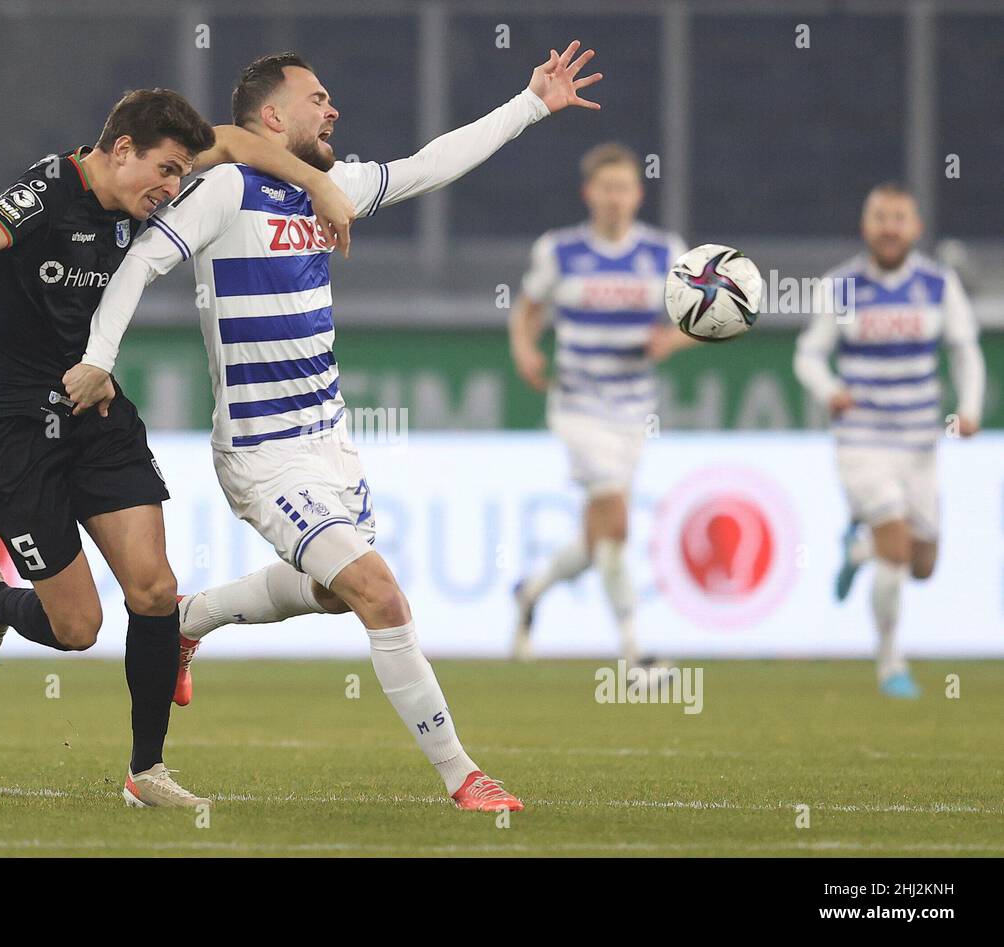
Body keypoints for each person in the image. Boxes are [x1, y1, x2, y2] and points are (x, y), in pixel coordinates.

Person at [63, 44, 604, 811]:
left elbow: (431, 164)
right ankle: (463, 776)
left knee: (334, 591)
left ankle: (193, 621)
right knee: (381, 594)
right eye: (318, 97)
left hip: (332, 448)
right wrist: (97, 357)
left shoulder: (328, 188)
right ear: (274, 115)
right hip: (264, 455)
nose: (334, 109)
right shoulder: (222, 188)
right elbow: (141, 263)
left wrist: (530, 104)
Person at [0, 86, 356, 808]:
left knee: (156, 589)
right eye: (163, 171)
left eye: (180, 177)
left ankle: (146, 771)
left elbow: (239, 142)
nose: (171, 190)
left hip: (92, 405)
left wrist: (317, 180)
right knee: (78, 626)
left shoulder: (154, 180)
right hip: (8, 424)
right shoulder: (49, 191)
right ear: (120, 150)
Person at [794, 182, 985, 699]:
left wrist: (968, 410)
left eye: (899, 218)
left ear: (916, 227)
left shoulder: (939, 285)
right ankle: (890, 665)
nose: (889, 227)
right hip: (862, 441)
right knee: (897, 547)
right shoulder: (841, 286)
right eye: (880, 217)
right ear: (865, 227)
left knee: (922, 565)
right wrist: (830, 389)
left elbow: (966, 350)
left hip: (920, 444)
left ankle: (859, 554)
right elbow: (808, 354)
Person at [507, 142, 692, 664]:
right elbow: (527, 310)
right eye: (606, 188)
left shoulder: (663, 251)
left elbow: (710, 318)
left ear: (638, 193)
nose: (615, 198)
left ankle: (532, 590)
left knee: (596, 542)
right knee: (617, 523)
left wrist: (672, 340)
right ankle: (634, 651)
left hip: (635, 411)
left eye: (624, 188)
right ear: (589, 193)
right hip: (579, 407)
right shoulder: (561, 250)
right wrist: (524, 349)